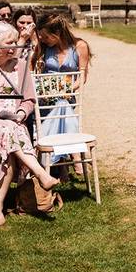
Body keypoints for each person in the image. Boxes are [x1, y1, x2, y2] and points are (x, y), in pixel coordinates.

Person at [0, 22, 59, 227]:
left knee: (7, 134)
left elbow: (29, 100)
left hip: (12, 126)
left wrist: (22, 113)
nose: (15, 45)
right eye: (10, 42)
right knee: (5, 130)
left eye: (16, 41)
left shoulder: (20, 66)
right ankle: (41, 173)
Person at [34, 12, 92, 174]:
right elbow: (34, 72)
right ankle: (75, 154)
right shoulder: (44, 48)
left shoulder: (80, 47)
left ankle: (59, 162)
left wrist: (66, 89)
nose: (43, 40)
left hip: (67, 94)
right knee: (62, 104)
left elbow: (82, 78)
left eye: (45, 36)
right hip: (45, 96)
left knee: (63, 103)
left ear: (57, 33)